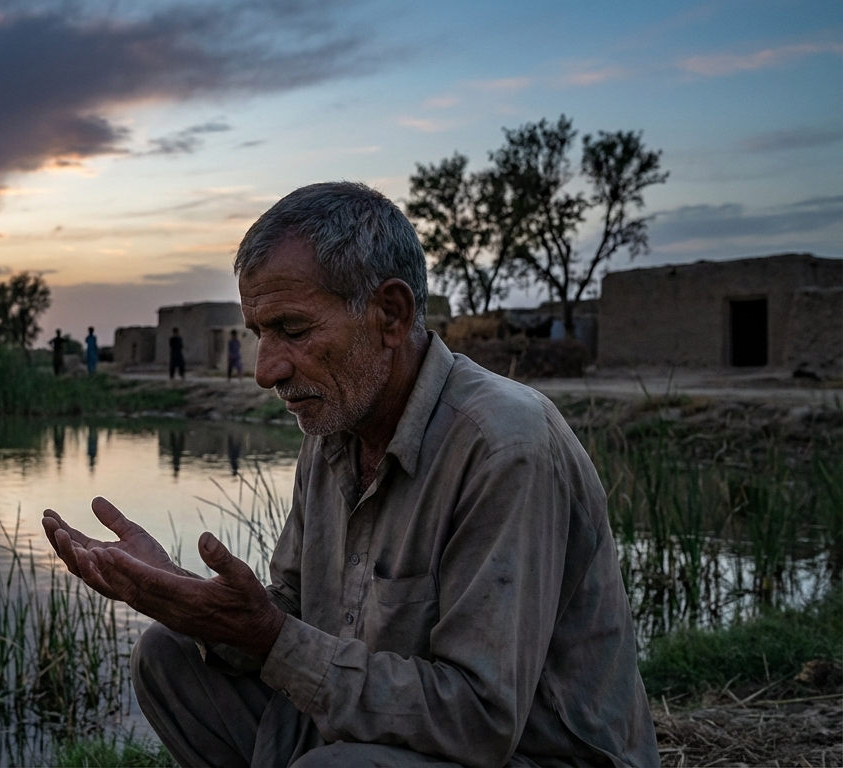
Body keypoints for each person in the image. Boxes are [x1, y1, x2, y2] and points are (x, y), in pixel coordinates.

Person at [42, 181, 657, 767]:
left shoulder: (505, 446)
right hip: (387, 728)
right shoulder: (334, 424)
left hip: (530, 753)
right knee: (167, 658)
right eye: (259, 333)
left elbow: (481, 718)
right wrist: (186, 598)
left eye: (293, 329)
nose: (266, 370)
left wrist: (270, 638)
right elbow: (293, 611)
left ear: (390, 314)